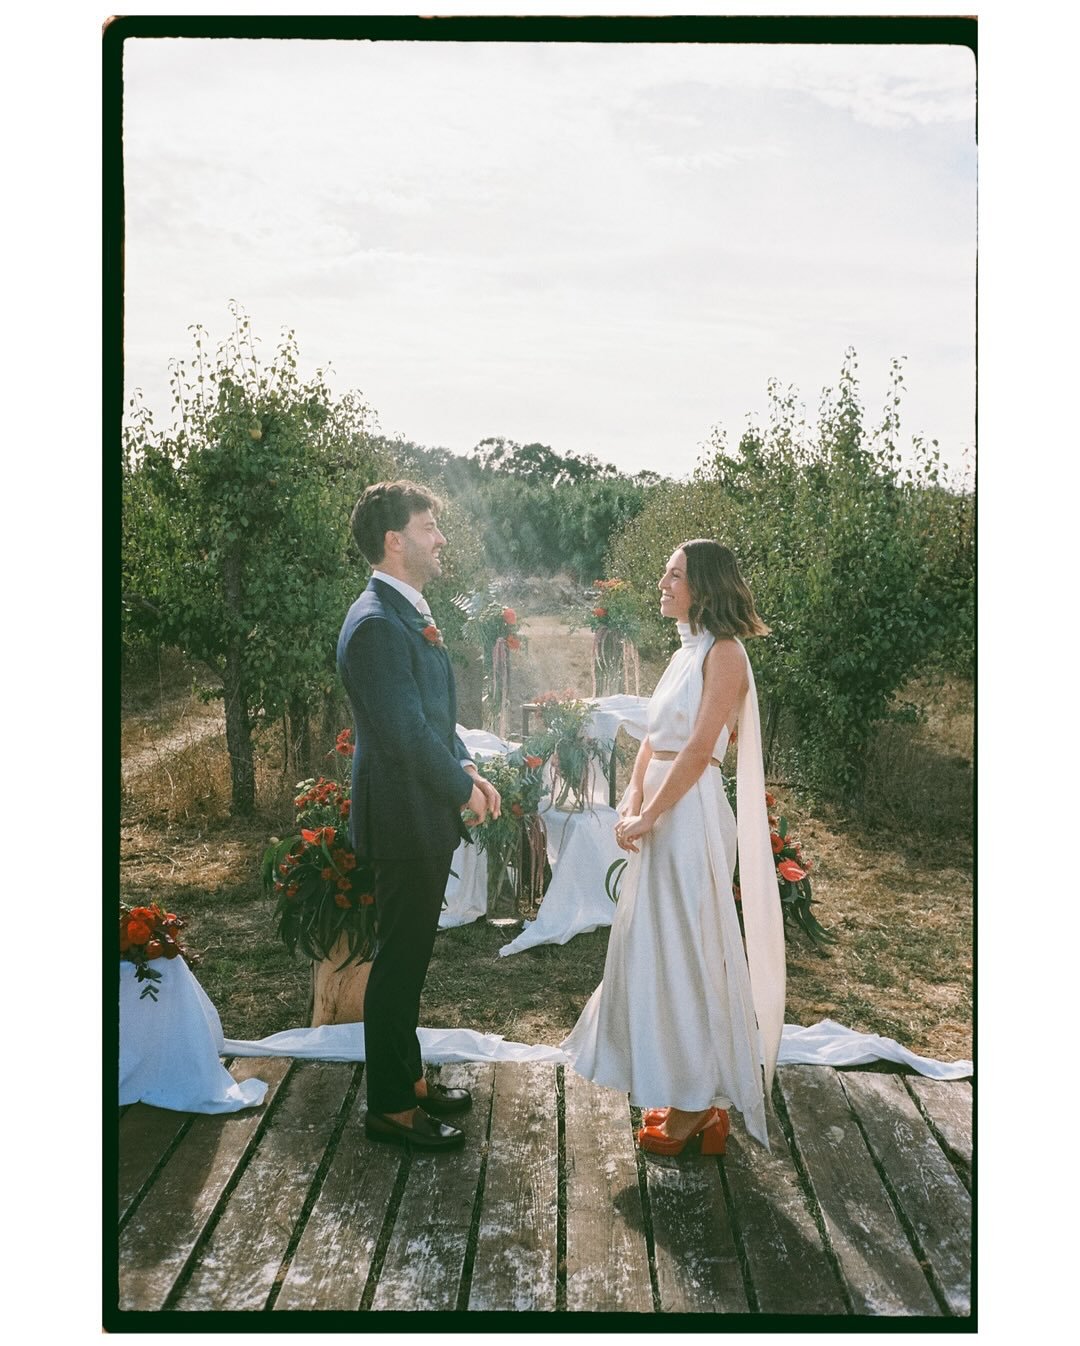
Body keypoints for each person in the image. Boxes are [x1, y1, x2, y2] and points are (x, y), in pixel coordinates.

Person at [560, 540, 786, 1154]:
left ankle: (699, 1105)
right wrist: (632, 799)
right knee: (653, 944)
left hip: (689, 817)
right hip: (659, 810)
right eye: (665, 572)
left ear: (704, 586)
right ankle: (677, 1083)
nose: (662, 583)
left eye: (674, 574)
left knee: (689, 947)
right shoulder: (684, 649)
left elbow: (698, 748)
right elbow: (653, 737)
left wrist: (653, 814)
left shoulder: (725, 653)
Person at [337, 481, 501, 1152]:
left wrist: (463, 765)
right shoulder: (376, 624)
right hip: (403, 817)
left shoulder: (404, 611)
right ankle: (391, 1109)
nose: (441, 537)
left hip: (418, 807)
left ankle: (407, 1077)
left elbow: (432, 717)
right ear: (394, 540)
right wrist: (460, 791)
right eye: (429, 526)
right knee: (398, 963)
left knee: (408, 956)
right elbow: (403, 733)